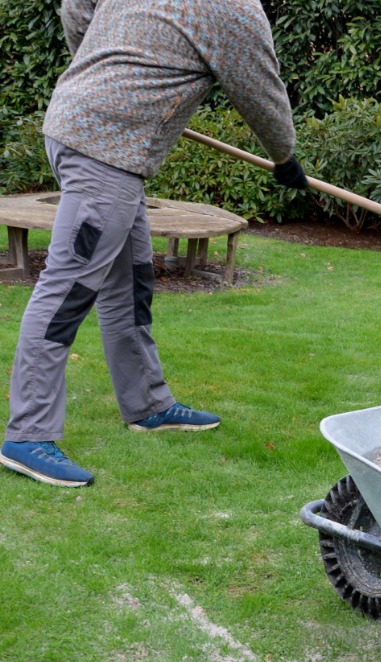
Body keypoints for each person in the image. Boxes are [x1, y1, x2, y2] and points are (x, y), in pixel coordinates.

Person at [0, 0, 308, 488]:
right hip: (105, 149)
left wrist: (98, 66)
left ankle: (148, 403)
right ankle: (27, 435)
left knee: (131, 281)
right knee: (68, 290)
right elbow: (261, 90)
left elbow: (75, 6)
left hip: (93, 136)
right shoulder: (235, 9)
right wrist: (285, 157)